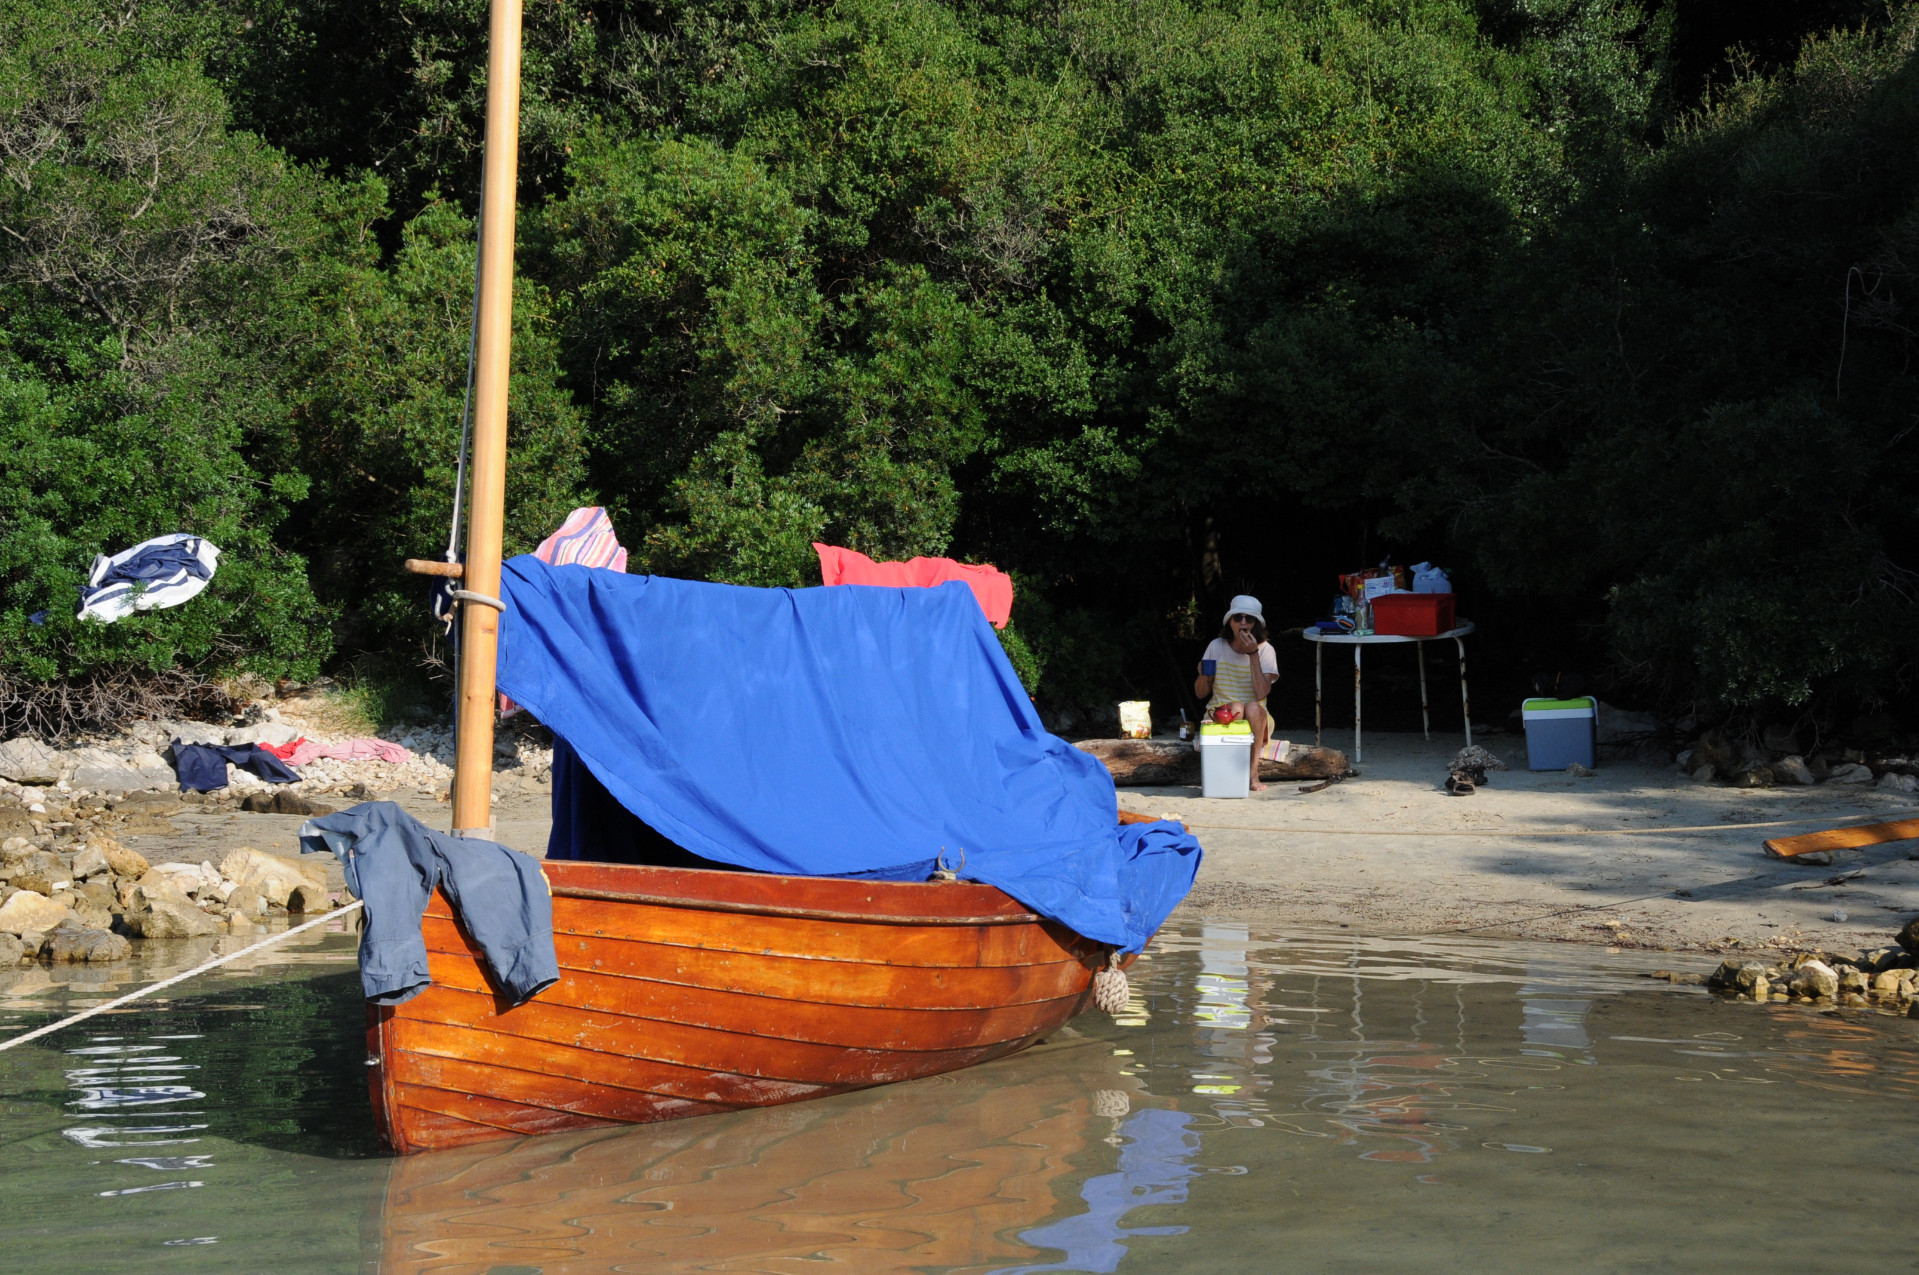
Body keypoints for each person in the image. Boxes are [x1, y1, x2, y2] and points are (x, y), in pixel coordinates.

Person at [1194, 595, 1278, 791]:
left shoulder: (1265, 650)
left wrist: (1253, 654)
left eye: (1249, 618)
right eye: (1238, 617)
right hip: (1221, 711)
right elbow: (1200, 693)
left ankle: (1253, 774)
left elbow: (1261, 693)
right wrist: (1204, 675)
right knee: (1237, 707)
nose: (1243, 623)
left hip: (1257, 716)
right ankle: (1228, 774)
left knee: (1251, 707)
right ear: (1230, 622)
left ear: (1256, 624)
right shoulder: (1216, 646)